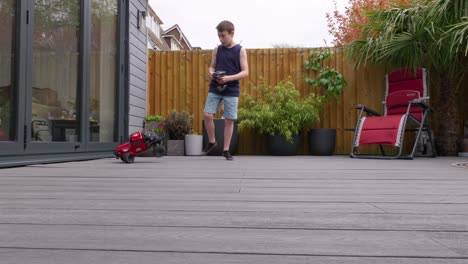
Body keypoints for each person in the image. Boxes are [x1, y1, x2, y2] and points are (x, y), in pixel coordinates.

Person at [203, 20, 249, 160]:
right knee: (207, 114)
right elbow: (212, 66)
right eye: (219, 36)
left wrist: (228, 79)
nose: (221, 39)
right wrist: (211, 72)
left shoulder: (240, 50)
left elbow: (245, 72)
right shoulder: (217, 49)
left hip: (232, 89)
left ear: (232, 33)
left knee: (229, 120)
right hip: (215, 86)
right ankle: (212, 141)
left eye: (223, 36)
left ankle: (226, 150)